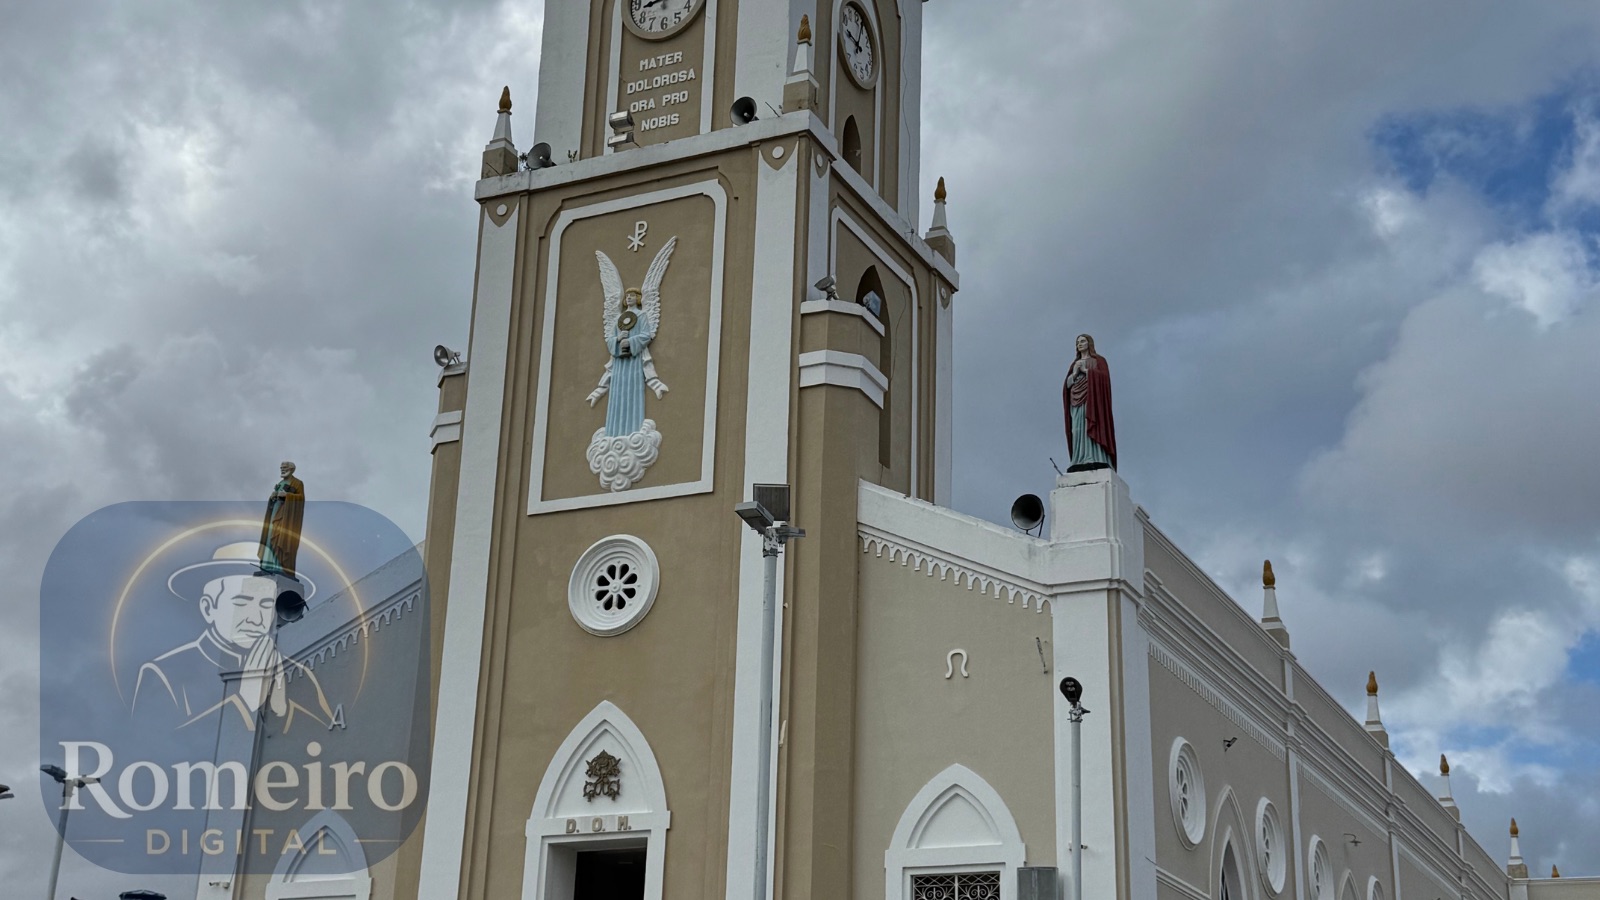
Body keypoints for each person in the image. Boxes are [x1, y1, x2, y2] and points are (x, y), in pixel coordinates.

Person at [132, 542, 332, 732]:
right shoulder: (165, 674)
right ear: (209, 607)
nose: (255, 618)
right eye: (241, 602)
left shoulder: (299, 674)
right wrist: (244, 703)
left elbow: (325, 740)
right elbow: (159, 749)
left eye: (265, 605)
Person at [1062, 333, 1117, 471]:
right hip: (1076, 402)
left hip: (1093, 400)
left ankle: (1096, 457)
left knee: (1092, 426)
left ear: (1089, 343)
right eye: (1077, 342)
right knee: (1077, 429)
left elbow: (1104, 379)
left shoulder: (1099, 361)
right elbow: (1067, 386)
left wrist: (1086, 371)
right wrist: (1075, 373)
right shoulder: (1074, 364)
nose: (1079, 344)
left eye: (1082, 341)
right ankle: (1078, 459)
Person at [259, 461, 305, 577]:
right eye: (281, 468)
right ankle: (267, 566)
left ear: (292, 469)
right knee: (270, 538)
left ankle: (279, 566)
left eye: (284, 467)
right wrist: (272, 497)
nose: (282, 470)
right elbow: (272, 500)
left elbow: (301, 499)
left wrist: (287, 496)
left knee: (281, 538)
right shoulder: (279, 483)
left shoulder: (298, 483)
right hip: (274, 514)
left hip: (286, 518)